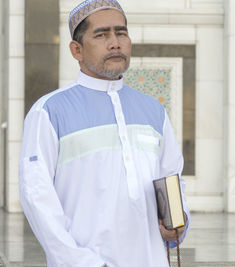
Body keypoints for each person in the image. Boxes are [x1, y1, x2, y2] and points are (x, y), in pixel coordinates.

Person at [18, 0, 190, 266]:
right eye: (101, 35)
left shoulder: (153, 111)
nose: (115, 43)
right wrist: (79, 261)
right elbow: (37, 198)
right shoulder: (49, 111)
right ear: (77, 50)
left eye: (121, 33)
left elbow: (172, 179)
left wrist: (178, 224)